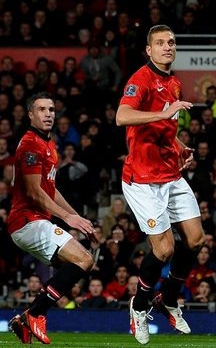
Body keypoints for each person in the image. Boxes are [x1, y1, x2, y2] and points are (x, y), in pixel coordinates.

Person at [116, 25, 203, 344]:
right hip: (142, 180)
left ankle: (167, 299)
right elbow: (122, 117)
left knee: (195, 241)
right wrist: (164, 112)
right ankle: (138, 306)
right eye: (160, 43)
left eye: (171, 42)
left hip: (171, 174)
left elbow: (164, 126)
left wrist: (179, 145)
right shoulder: (140, 80)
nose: (168, 47)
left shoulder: (174, 82)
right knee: (164, 249)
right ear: (149, 50)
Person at [8, 92, 98, 345]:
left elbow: (50, 189)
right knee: (83, 260)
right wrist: (68, 218)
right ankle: (35, 314)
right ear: (30, 114)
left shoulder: (49, 144)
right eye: (41, 109)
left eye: (51, 109)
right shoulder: (29, 144)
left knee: (80, 263)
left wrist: (77, 217)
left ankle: (26, 320)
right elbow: (35, 192)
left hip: (37, 221)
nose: (48, 114)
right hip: (26, 221)